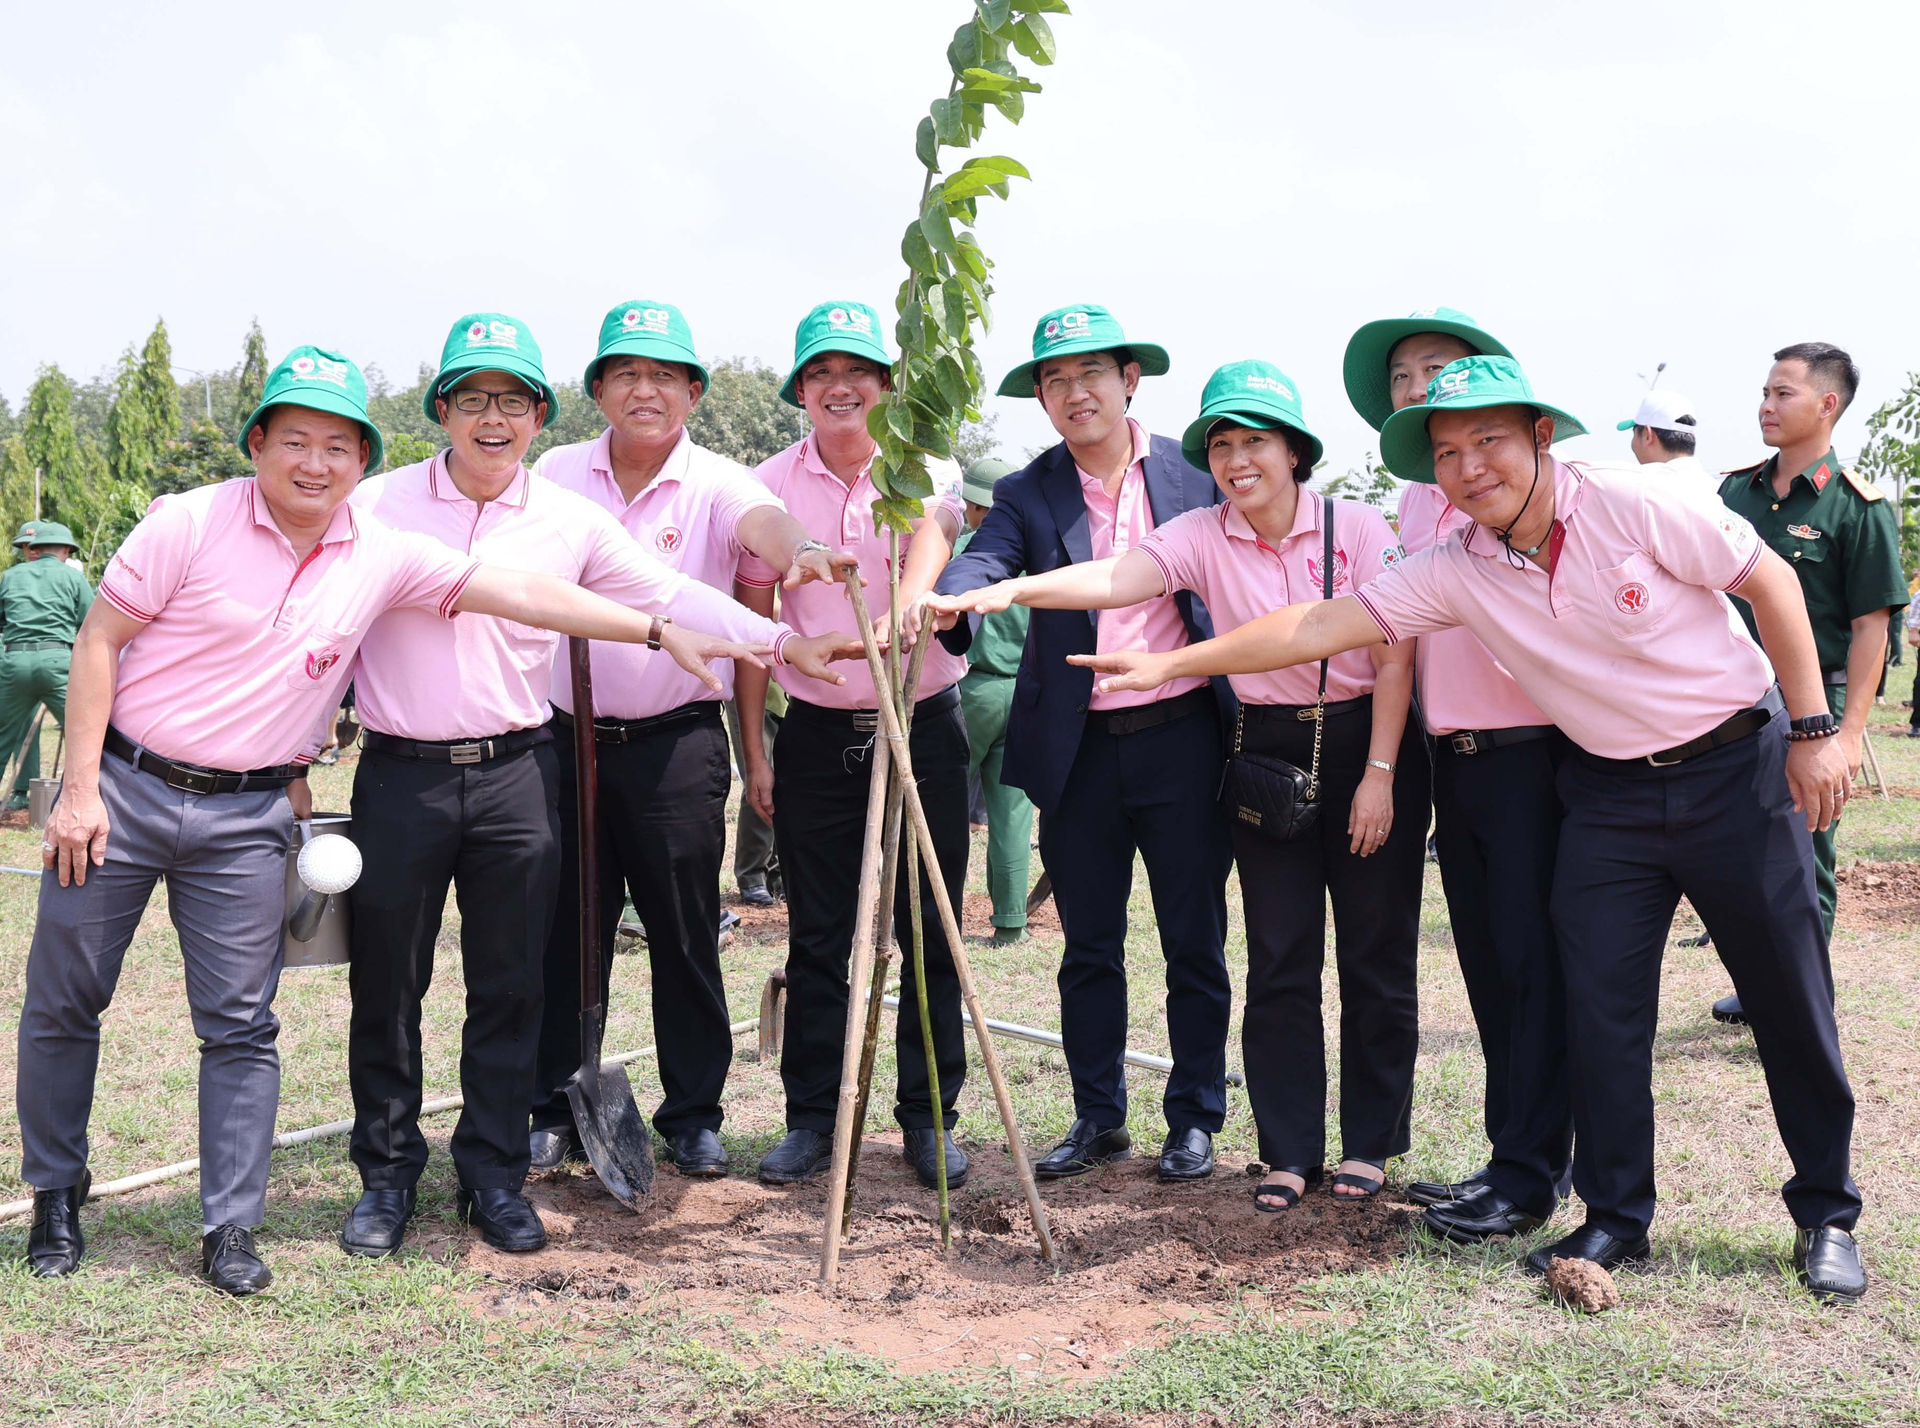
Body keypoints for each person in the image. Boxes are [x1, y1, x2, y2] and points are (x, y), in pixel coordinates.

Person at [1067, 355, 1868, 1303]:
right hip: (1609, 796)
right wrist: (1176, 663)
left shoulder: (1631, 499)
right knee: (1601, 1014)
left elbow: (1770, 581)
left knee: (1787, 999)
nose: (1468, 465)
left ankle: (1826, 1211)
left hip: (1736, 767)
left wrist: (1817, 728)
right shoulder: (1454, 565)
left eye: (1487, 439)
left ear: (1538, 433)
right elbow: (1317, 626)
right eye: (1446, 451)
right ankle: (1615, 1215)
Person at [16, 346, 764, 1293]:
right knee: (92, 1001)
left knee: (296, 1018)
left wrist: (687, 632)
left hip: (356, 798)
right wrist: (76, 787)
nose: (315, 464)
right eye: (296, 441)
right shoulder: (203, 519)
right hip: (178, 789)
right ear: (259, 443)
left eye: (337, 446)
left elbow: (532, 594)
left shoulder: (388, 544)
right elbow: (102, 641)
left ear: (362, 461)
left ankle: (341, 1207)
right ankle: (80, 1193)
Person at [932, 360, 1425, 1209]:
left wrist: (1381, 772)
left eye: (1256, 442)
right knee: (1277, 957)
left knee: (1373, 955)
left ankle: (1371, 1144)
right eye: (1224, 444)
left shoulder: (1357, 526)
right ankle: (1288, 1149)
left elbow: (1394, 654)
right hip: (1263, 751)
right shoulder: (1202, 531)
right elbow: (1118, 576)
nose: (1238, 460)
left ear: (1295, 450)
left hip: (1356, 746)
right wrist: (1007, 589)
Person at [526, 299, 854, 1181]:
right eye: (627, 373)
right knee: (568, 924)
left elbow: (764, 527)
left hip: (674, 742)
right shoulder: (551, 472)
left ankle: (694, 1113)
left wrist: (804, 550)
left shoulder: (716, 480)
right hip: (563, 737)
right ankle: (554, 1100)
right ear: (597, 389)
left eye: (665, 375)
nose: (645, 390)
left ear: (693, 394)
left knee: (682, 929)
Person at [932, 304, 1234, 1184]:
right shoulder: (1030, 490)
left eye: (1090, 374)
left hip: (1184, 735)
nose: (1074, 393)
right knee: (1088, 945)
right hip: (1076, 751)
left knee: (1194, 938)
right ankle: (1099, 1115)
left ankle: (1195, 1120)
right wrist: (957, 596)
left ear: (1128, 379)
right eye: (1055, 381)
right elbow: (987, 557)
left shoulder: (1191, 470)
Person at [1341, 309, 1573, 1239]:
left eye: (1438, 368)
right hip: (1457, 761)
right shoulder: (1415, 507)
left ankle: (1530, 1176)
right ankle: (1509, 1159)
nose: (1419, 385)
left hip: (1534, 755)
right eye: (1402, 378)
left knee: (1532, 967)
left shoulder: (1531, 493)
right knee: (1485, 968)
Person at [733, 300, 972, 1191]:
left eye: (859, 373)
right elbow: (754, 627)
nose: (841, 388)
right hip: (816, 734)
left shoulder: (921, 465)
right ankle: (812, 1119)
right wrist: (757, 753)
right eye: (822, 374)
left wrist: (908, 601)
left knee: (929, 927)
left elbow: (934, 541)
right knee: (819, 933)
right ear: (801, 389)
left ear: (886, 386)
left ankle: (928, 1116)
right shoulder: (765, 488)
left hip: (922, 727)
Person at [1705, 343, 1907, 1025]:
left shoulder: (1857, 509)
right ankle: (1757, 984)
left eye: (1783, 393)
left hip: (1809, 703)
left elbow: (1871, 626)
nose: (1765, 405)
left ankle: (1796, 1002)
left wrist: (1850, 734)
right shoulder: (1734, 490)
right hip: (1727, 702)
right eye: (1764, 391)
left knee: (1802, 857)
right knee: (1730, 853)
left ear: (1828, 405)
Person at [953, 457, 1034, 946]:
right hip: (1024, 694)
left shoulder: (963, 551)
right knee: (1012, 812)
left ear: (973, 502)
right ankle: (1010, 924)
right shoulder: (1038, 556)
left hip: (971, 692)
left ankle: (938, 917)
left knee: (942, 811)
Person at [0, 521, 91, 810]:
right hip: (58, 661)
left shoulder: (9, 576)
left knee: (2, 737)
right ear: (66, 550)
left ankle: (22, 792)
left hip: (14, 661)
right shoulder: (73, 578)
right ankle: (98, 801)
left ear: (35, 549)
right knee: (86, 733)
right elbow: (89, 625)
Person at [1618, 389, 1717, 496]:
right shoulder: (1717, 489)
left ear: (1647, 435)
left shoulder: (1638, 492)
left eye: (1634, 433)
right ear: (1691, 435)